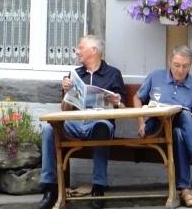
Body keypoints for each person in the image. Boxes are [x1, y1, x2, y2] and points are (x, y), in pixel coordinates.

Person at [38, 35, 127, 209]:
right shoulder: (74, 74)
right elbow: (65, 110)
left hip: (99, 122)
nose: (77, 51)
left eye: (80, 47)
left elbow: (123, 108)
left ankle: (98, 188)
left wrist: (117, 102)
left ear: (93, 50)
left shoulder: (113, 74)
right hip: (75, 123)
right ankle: (50, 189)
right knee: (49, 130)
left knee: (102, 127)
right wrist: (67, 92)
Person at [133, 45, 192, 208]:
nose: (180, 70)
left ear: (190, 65)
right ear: (170, 62)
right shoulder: (156, 76)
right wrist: (140, 122)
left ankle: (185, 191)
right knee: (180, 118)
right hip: (155, 128)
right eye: (177, 65)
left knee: (178, 129)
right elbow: (137, 97)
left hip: (177, 131)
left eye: (185, 66)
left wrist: (188, 117)